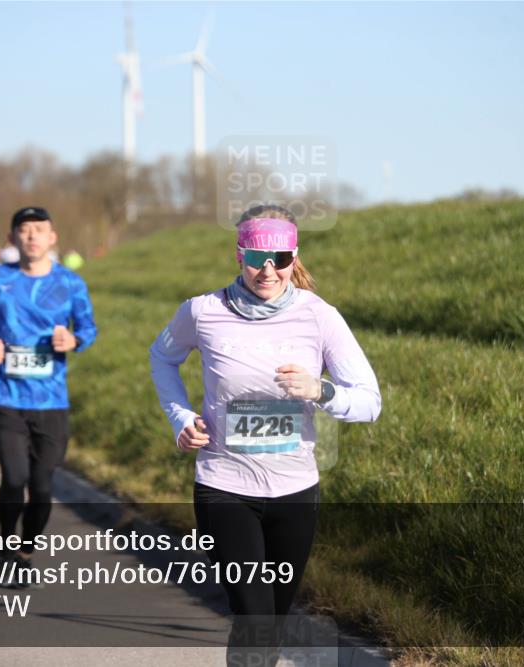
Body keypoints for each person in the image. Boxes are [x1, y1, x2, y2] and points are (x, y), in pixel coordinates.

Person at [149, 204, 381, 665]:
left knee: (270, 620)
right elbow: (162, 357)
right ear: (239, 256)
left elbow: (369, 402)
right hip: (224, 486)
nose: (268, 269)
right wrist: (181, 418)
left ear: (294, 257)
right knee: (253, 616)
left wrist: (321, 390)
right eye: (256, 258)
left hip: (295, 490)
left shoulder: (320, 317)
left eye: (279, 258)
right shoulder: (202, 311)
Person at [0, 206, 97, 587]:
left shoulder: (71, 283)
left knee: (41, 484)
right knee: (14, 476)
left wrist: (73, 340)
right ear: (12, 238)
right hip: (5, 393)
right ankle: (6, 546)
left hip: (51, 399)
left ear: (53, 237)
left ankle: (25, 552)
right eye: (24, 230)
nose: (32, 236)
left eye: (39, 230)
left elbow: (88, 328)